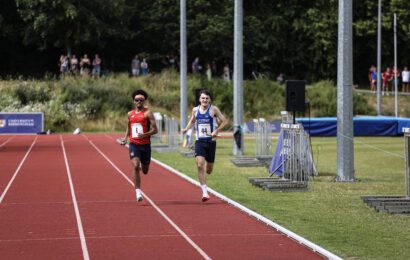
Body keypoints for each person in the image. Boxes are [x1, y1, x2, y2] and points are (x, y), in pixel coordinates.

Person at [181, 90, 227, 202]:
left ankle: (208, 169)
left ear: (209, 100)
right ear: (199, 99)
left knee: (209, 170)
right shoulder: (195, 110)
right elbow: (192, 120)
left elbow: (225, 121)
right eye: (203, 98)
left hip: (211, 142)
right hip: (200, 142)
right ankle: (205, 192)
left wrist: (217, 130)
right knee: (200, 164)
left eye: (207, 98)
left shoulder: (213, 109)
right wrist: (186, 129)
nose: (205, 100)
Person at [120, 89, 158, 202]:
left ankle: (144, 164)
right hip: (134, 144)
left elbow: (155, 129)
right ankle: (138, 192)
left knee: (145, 170)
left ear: (144, 101)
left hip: (145, 145)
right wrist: (125, 138)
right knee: (136, 165)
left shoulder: (148, 113)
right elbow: (129, 126)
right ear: (134, 101)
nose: (139, 102)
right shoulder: (130, 114)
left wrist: (145, 134)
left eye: (141, 100)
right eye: (137, 100)